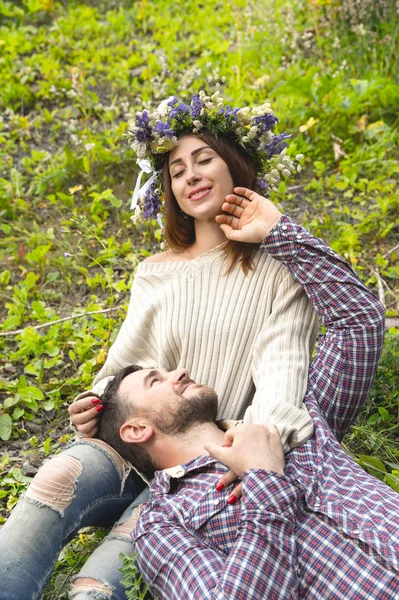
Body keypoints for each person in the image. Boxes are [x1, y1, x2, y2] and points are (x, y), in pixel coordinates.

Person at [0, 89, 318, 600]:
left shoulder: (281, 272)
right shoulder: (154, 273)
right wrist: (98, 401)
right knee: (59, 476)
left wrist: (257, 449)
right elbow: (122, 368)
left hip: (208, 459)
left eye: (204, 159)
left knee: (108, 570)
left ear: (235, 165)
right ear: (167, 189)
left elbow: (283, 376)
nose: (190, 175)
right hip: (135, 443)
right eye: (175, 170)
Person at [98, 194, 395, 599]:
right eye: (156, 380)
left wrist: (279, 235)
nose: (181, 371)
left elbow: (358, 322)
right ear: (135, 428)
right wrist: (264, 478)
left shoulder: (297, 417)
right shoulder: (165, 525)